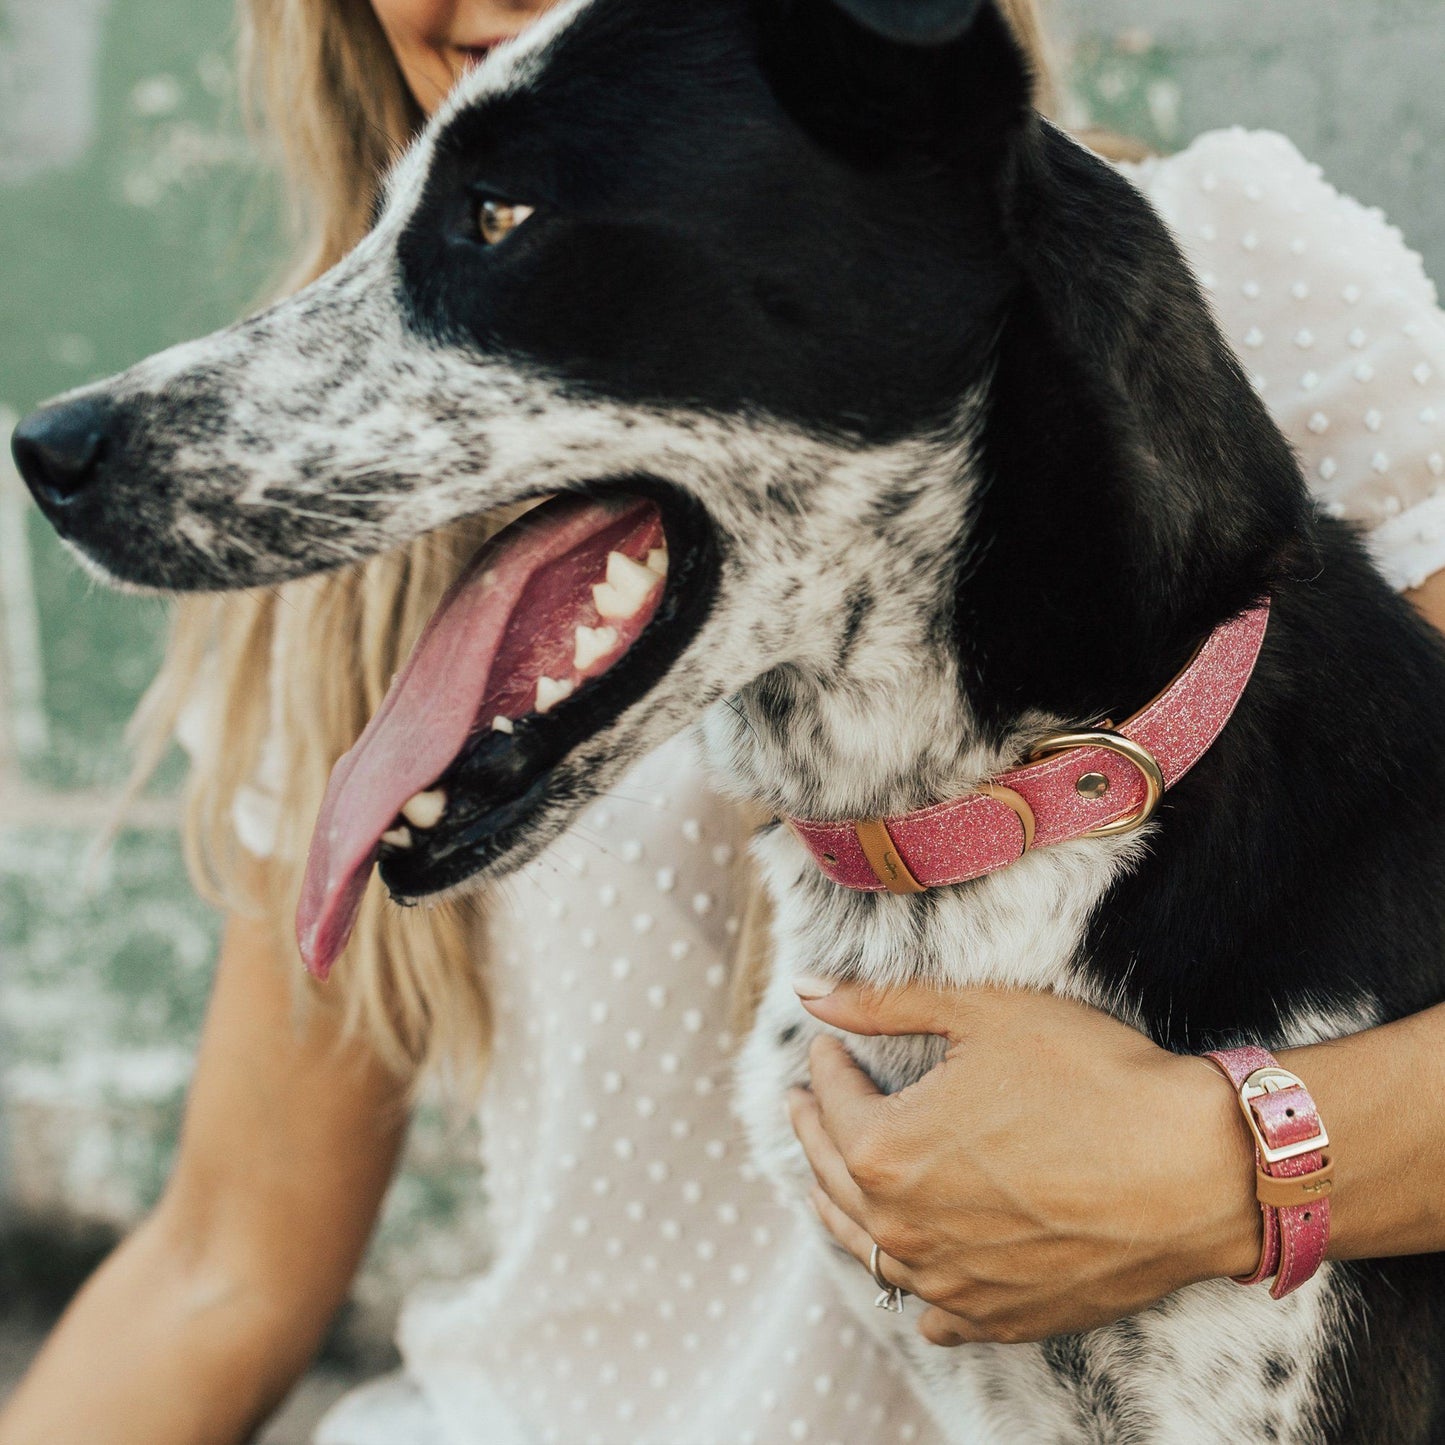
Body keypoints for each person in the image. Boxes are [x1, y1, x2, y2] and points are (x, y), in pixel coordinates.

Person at [2, 3, 1444, 1444]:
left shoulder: (1209, 286)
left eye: (500, 216)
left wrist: (1208, 1165)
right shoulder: (344, 549)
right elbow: (222, 1264)